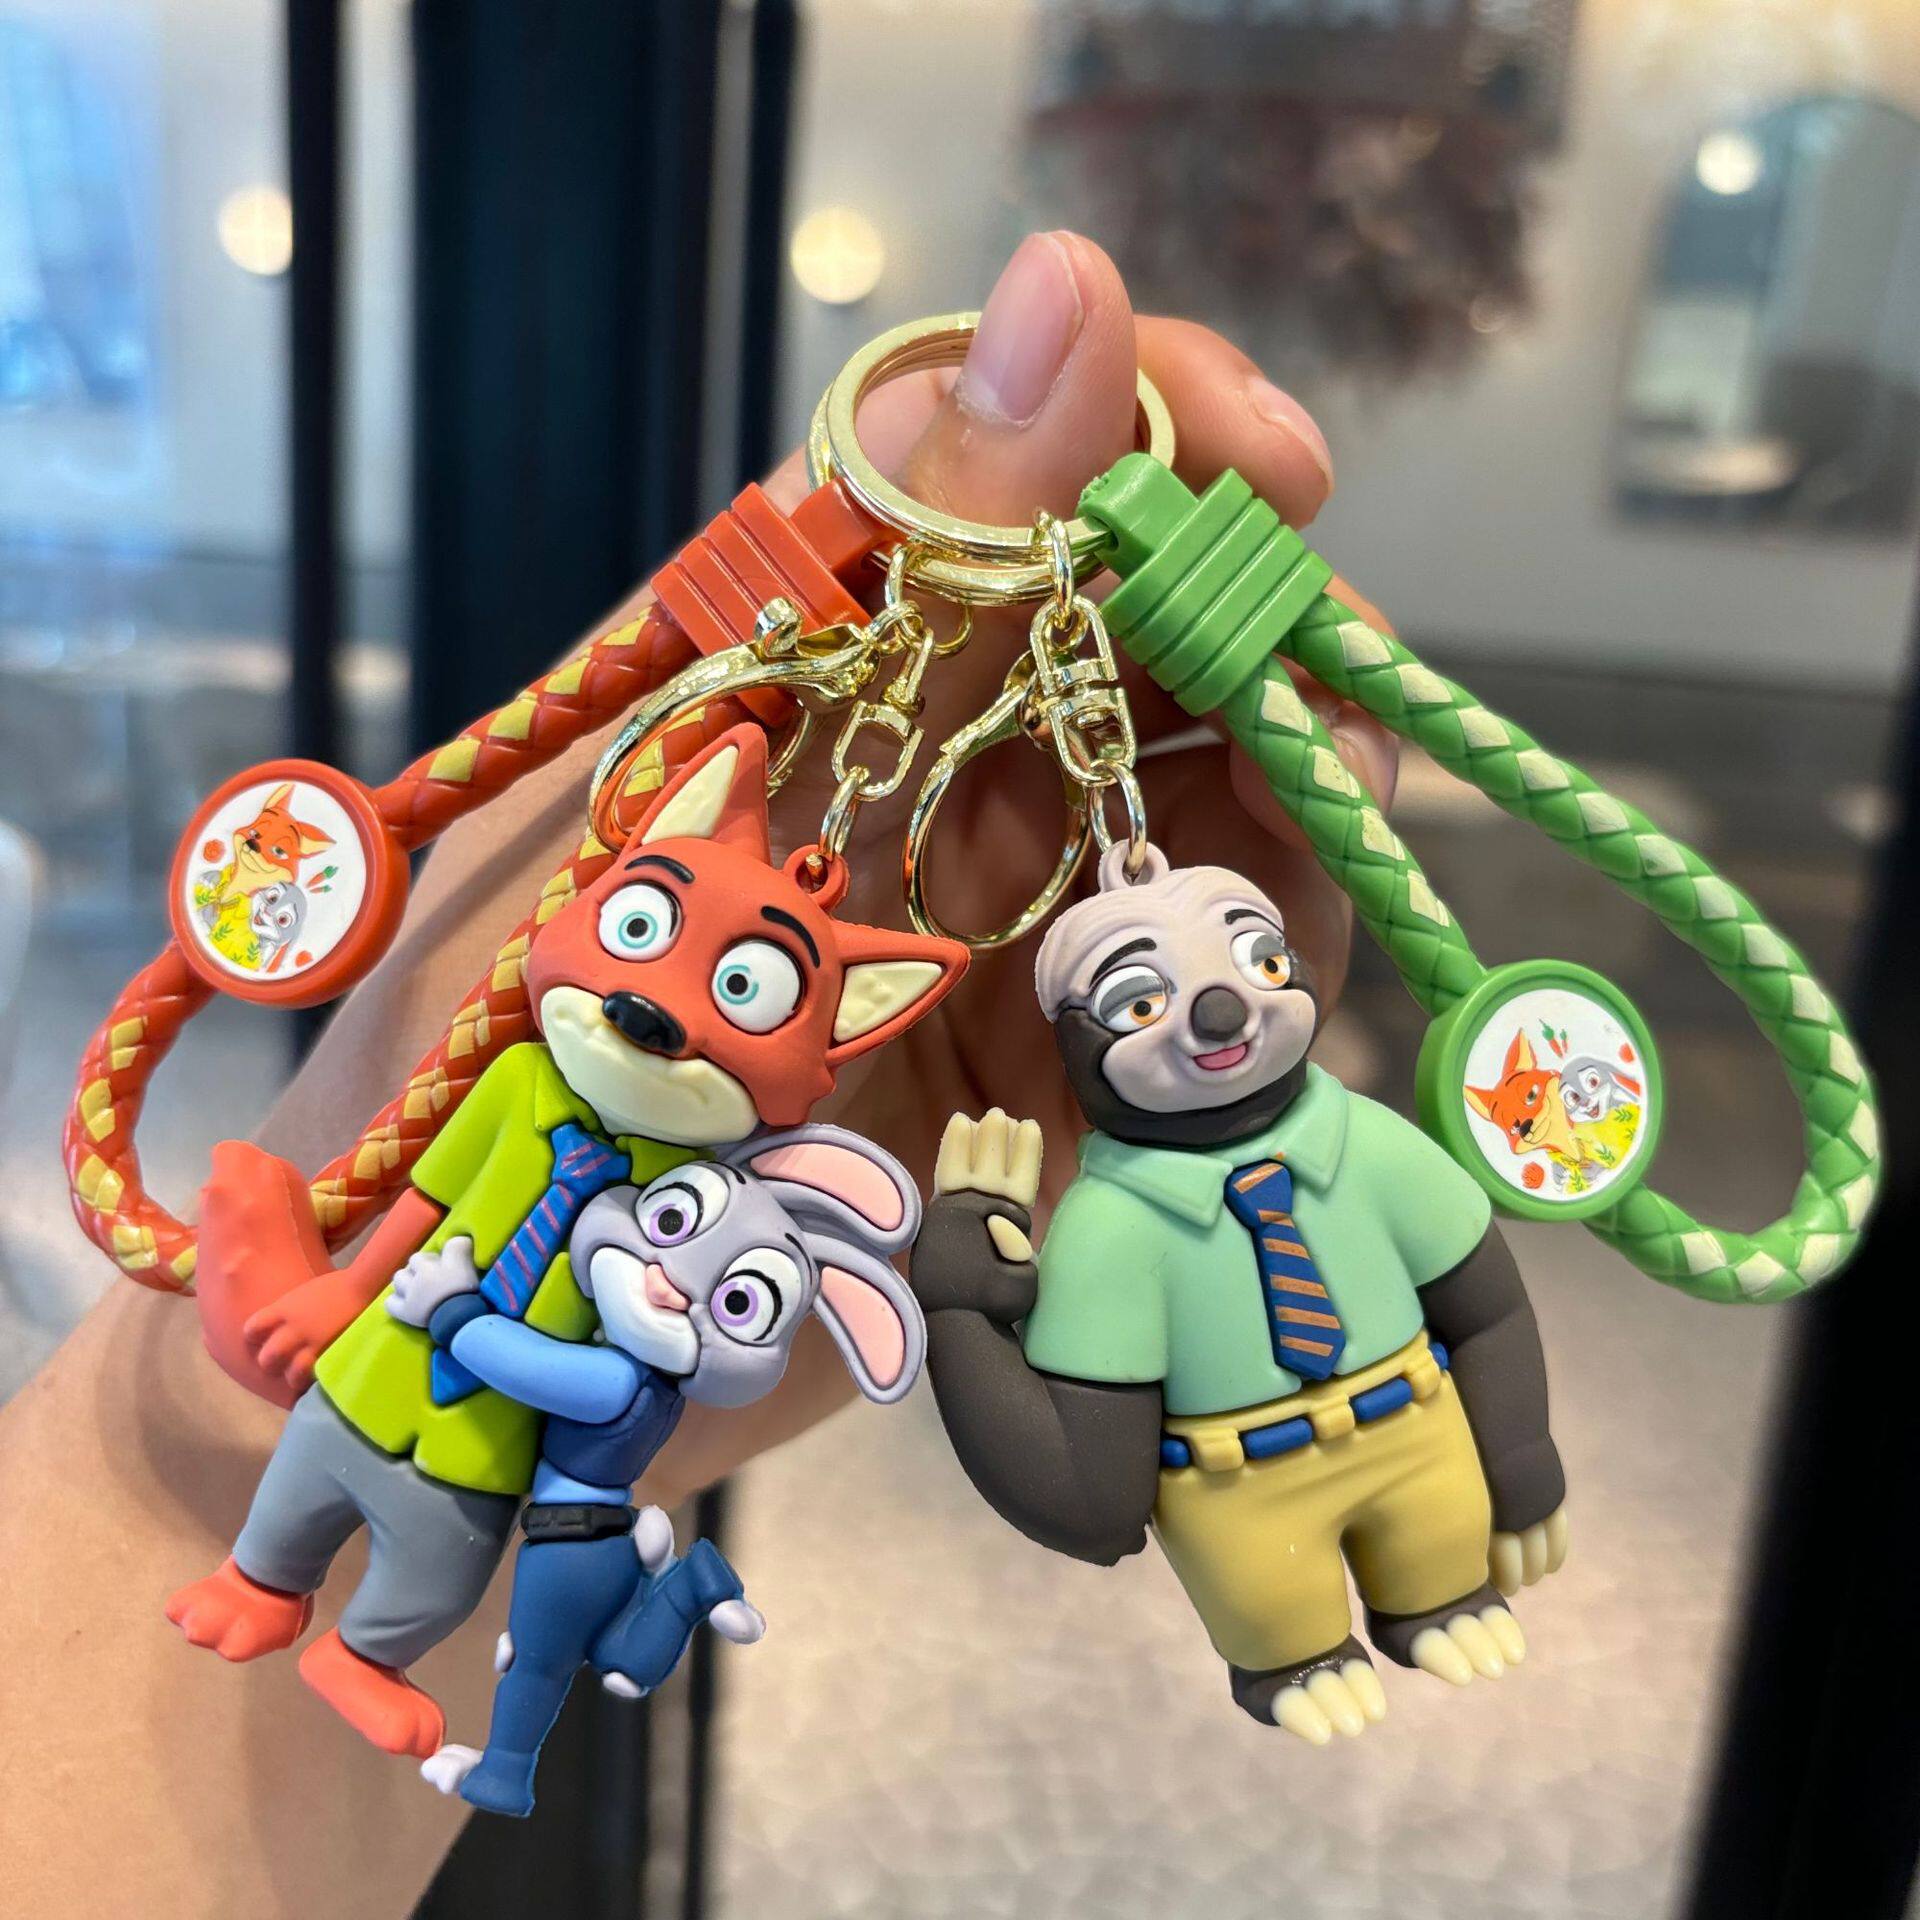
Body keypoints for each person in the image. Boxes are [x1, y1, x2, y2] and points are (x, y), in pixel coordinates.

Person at [0, 231, 1396, 1915]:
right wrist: (337, 1285)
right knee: (297, 1499)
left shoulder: (702, 1202)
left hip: (474, 1452)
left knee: (425, 1559)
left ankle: (356, 1645)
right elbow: (429, 1197)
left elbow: (655, 1347)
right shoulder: (529, 1083)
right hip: (375, 1376)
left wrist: (598, 1383)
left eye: (742, 994)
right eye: (651, 930)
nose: (664, 1015)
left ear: (845, 1027)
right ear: (617, 864)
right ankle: (265, 1581)